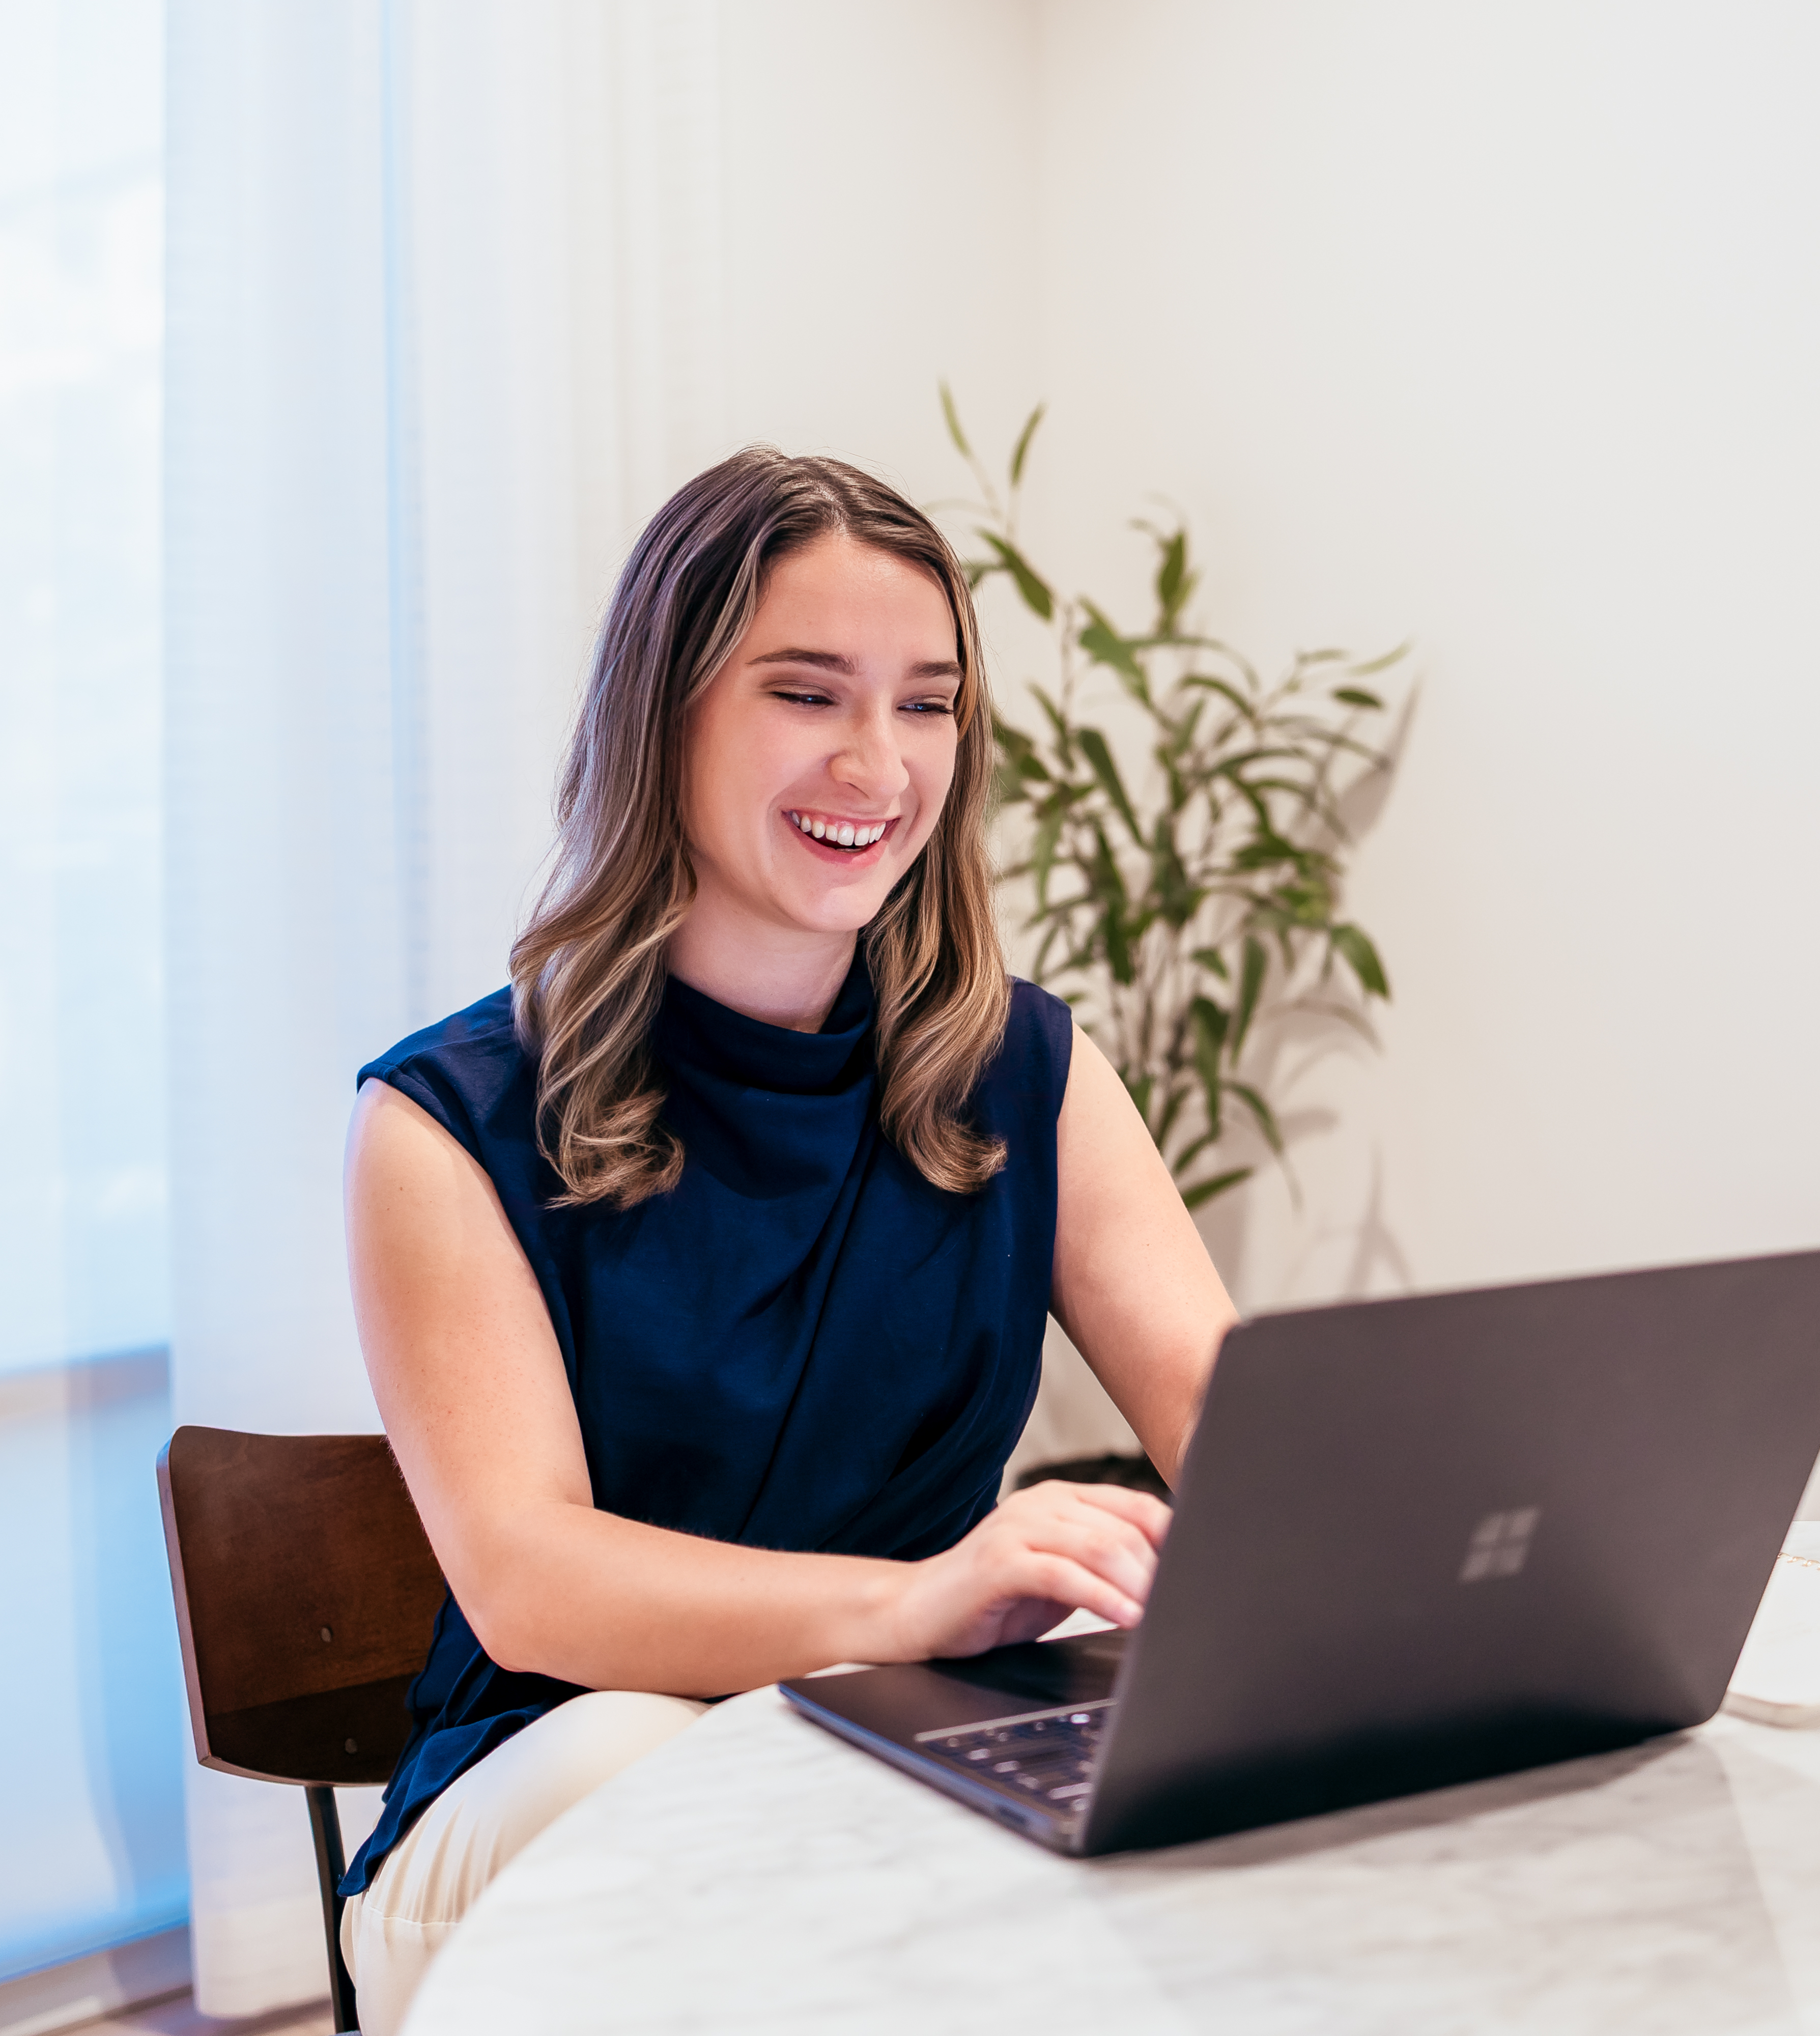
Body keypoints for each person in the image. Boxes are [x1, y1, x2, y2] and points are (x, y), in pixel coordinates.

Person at [336, 448, 1238, 2031]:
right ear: (664, 711)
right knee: (649, 1764)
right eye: (808, 694)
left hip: (890, 1770)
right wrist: (919, 1605)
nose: (878, 767)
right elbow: (533, 1589)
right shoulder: (445, 1120)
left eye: (929, 703)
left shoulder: (1026, 1069)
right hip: (549, 1800)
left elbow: (1246, 1432)